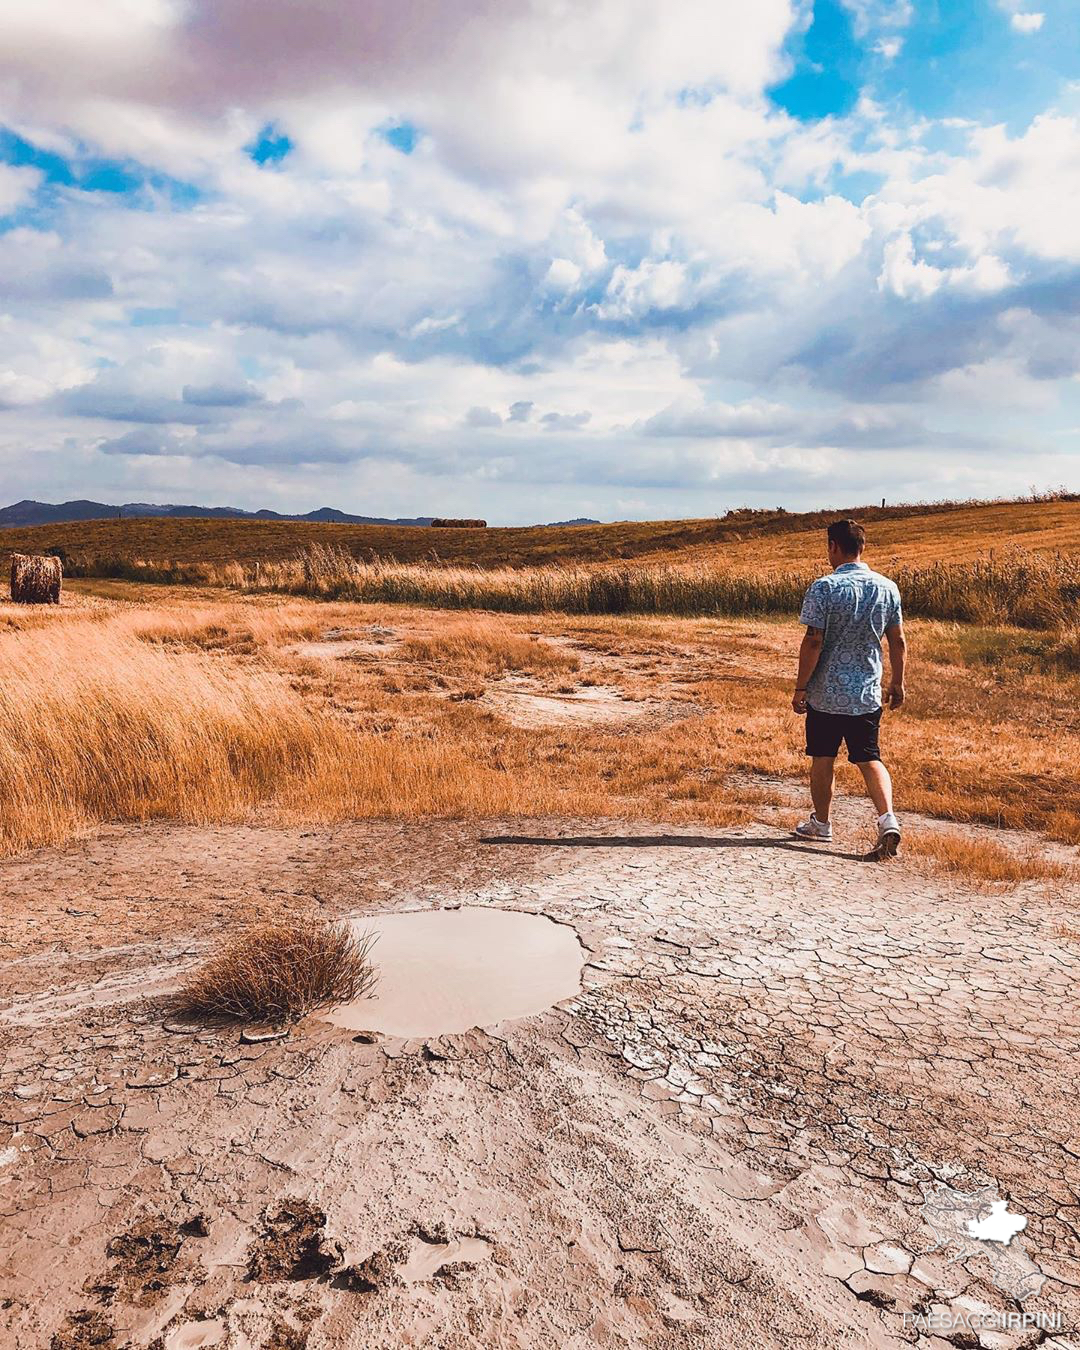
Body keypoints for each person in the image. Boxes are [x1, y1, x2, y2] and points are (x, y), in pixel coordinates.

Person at [790, 518, 906, 856]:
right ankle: (887, 820)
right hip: (866, 692)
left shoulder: (824, 588)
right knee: (869, 757)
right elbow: (897, 640)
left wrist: (800, 688)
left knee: (823, 757)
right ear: (863, 547)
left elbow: (813, 642)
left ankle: (822, 824)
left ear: (833, 546)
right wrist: (897, 681)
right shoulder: (887, 588)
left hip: (826, 693)